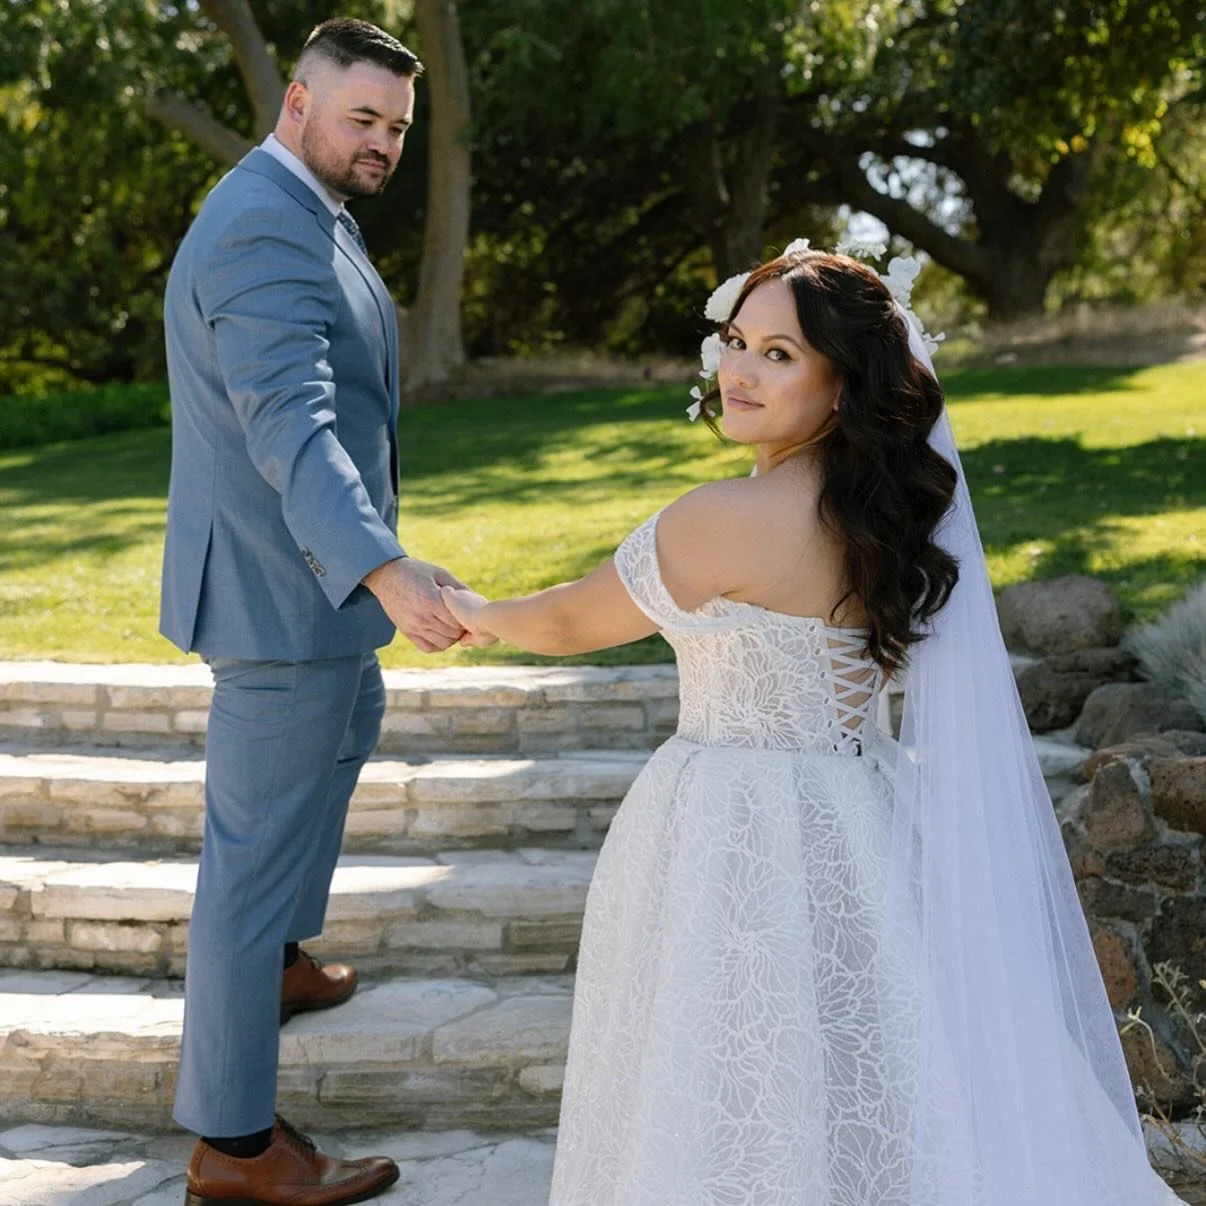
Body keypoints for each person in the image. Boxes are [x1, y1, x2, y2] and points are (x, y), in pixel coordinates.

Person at [443, 246, 1187, 1205]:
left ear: (843, 386)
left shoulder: (724, 519)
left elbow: (570, 621)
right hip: (862, 810)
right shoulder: (889, 523)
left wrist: (470, 610)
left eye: (781, 355)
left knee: (734, 1080)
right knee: (866, 1078)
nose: (739, 373)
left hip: (729, 825)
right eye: (735, 342)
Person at [160, 18, 466, 1206]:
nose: (384, 141)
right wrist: (384, 567)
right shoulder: (260, 229)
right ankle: (235, 1148)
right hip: (281, 599)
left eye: (396, 124)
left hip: (306, 597)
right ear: (297, 100)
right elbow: (294, 424)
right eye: (363, 118)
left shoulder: (302, 207)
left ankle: (279, 957)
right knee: (243, 870)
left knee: (357, 720)